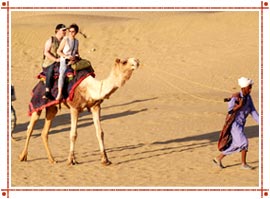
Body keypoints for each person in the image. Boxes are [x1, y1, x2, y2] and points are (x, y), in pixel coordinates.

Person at [213, 77, 259, 170]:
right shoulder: (235, 97)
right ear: (243, 88)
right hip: (234, 124)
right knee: (244, 142)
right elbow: (230, 111)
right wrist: (239, 106)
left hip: (241, 124)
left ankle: (218, 158)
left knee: (235, 144)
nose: (250, 89)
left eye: (250, 87)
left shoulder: (249, 98)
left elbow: (253, 111)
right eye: (249, 87)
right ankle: (243, 164)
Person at [42, 24, 67, 100]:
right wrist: (55, 59)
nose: (65, 32)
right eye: (63, 30)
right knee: (51, 70)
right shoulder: (51, 40)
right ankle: (47, 91)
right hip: (50, 62)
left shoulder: (64, 41)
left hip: (61, 62)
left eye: (65, 30)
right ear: (57, 30)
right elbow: (46, 52)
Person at [56, 23, 80, 100]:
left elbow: (76, 52)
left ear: (76, 32)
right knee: (62, 74)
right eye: (69, 31)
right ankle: (59, 93)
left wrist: (76, 56)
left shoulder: (76, 41)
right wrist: (66, 57)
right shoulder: (65, 39)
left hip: (73, 61)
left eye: (72, 31)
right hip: (64, 60)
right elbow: (58, 51)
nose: (70, 33)